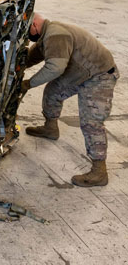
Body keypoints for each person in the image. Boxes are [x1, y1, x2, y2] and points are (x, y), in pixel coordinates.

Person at [21, 13, 118, 187]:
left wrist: (28, 84)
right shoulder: (46, 35)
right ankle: (50, 128)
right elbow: (34, 55)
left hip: (99, 75)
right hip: (80, 72)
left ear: (34, 25)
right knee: (52, 92)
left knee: (91, 121)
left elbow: (54, 68)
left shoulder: (56, 35)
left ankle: (99, 171)